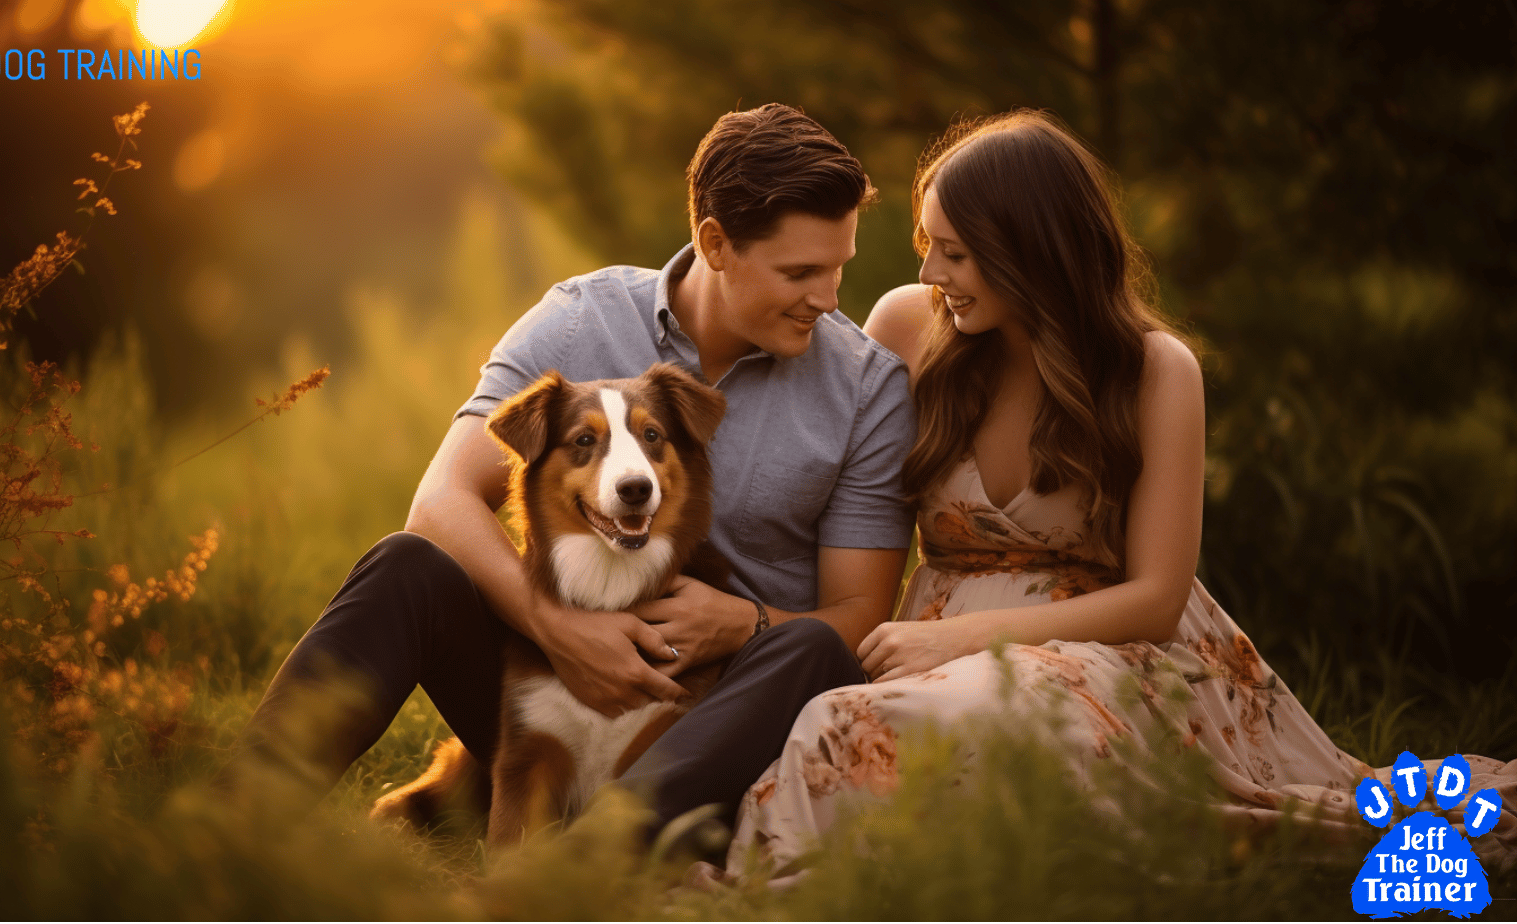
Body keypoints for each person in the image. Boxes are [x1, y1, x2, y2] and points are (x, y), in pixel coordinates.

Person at [725, 110, 1516, 875]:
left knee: (952, 727)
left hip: (1102, 646)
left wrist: (963, 640)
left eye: (957, 254)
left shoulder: (1154, 371)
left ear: (1030, 251)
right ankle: (797, 888)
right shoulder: (907, 325)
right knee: (848, 725)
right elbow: (837, 494)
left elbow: (1158, 599)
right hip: (932, 637)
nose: (931, 272)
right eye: (929, 244)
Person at [222, 104, 918, 841]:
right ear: (716, 243)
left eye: (837, 268)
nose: (830, 299)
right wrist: (557, 629)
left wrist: (742, 625)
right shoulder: (582, 320)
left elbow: (859, 616)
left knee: (807, 649)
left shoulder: (865, 388)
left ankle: (584, 869)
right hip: (548, 694)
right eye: (801, 272)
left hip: (719, 723)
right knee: (407, 566)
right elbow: (440, 502)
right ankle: (227, 829)